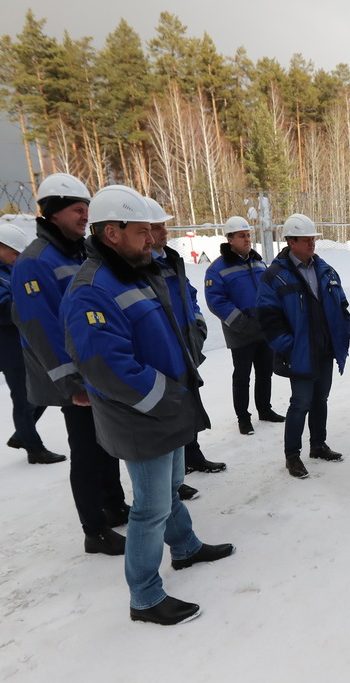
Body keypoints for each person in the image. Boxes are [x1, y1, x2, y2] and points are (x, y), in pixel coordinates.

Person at [62, 186, 234, 626]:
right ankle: (144, 596)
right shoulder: (91, 290)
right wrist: (164, 395)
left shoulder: (135, 271)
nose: (150, 240)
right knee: (151, 507)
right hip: (141, 414)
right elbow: (107, 365)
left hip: (168, 403)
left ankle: (186, 547)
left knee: (170, 489)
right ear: (112, 232)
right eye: (141, 232)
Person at [11, 173, 129, 556]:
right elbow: (40, 328)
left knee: (108, 441)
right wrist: (72, 383)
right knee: (87, 449)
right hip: (74, 379)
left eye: (87, 209)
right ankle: (94, 530)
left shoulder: (79, 251)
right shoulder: (34, 262)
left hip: (95, 369)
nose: (85, 216)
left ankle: (114, 506)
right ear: (54, 213)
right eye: (79, 210)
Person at [0, 223, 65, 465]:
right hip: (8, 347)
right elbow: (1, 312)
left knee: (41, 392)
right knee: (23, 398)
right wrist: (34, 300)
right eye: (15, 253)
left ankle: (22, 434)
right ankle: (34, 448)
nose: (19, 258)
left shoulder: (4, 270)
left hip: (23, 343)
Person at [256, 213, 350, 479]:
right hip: (299, 354)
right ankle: (292, 456)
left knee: (321, 399)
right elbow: (268, 318)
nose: (312, 244)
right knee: (300, 403)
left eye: (313, 239)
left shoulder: (325, 270)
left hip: (324, 351)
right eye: (306, 240)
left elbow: (342, 307)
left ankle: (318, 445)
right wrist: (289, 347)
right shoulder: (275, 276)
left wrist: (341, 337)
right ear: (290, 242)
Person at [144, 196, 225, 495]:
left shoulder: (169, 261)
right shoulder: (139, 268)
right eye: (156, 227)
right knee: (169, 411)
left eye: (164, 226)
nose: (164, 232)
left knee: (188, 404)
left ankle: (193, 457)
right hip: (162, 352)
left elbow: (188, 294)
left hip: (183, 347)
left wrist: (198, 320)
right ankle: (171, 481)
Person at [204, 215, 285, 435]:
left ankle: (265, 410)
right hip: (240, 332)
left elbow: (270, 291)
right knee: (242, 376)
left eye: (248, 235)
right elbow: (216, 301)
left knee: (265, 372)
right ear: (230, 239)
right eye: (242, 236)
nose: (247, 239)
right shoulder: (217, 269)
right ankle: (243, 418)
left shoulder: (259, 262)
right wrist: (241, 322)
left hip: (263, 329)